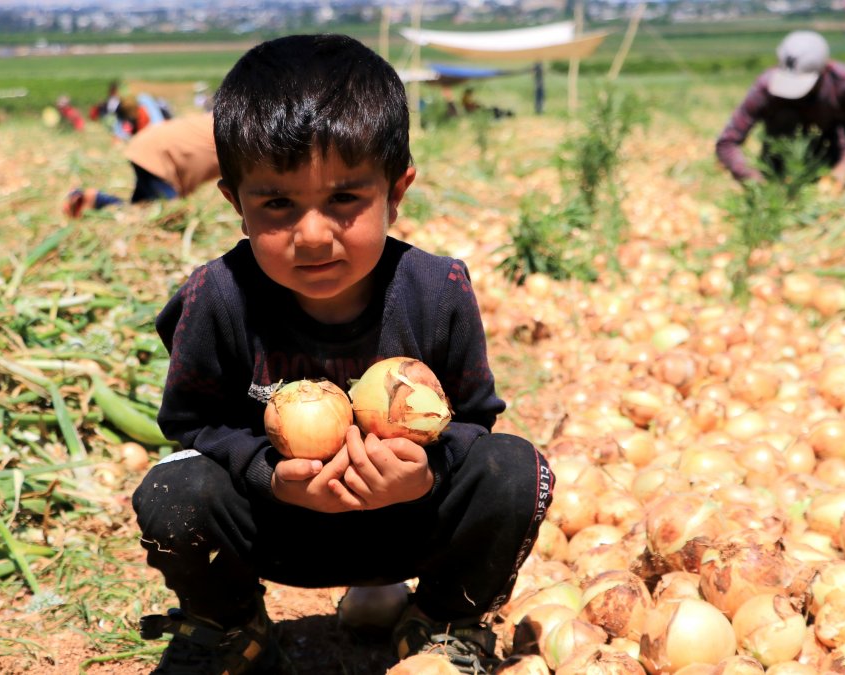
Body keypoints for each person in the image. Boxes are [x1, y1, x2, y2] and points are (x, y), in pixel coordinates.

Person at [131, 34, 553, 675]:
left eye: (344, 200)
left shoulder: (438, 292)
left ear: (397, 189)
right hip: (279, 527)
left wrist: (424, 475)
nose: (312, 235)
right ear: (234, 202)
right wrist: (268, 477)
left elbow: (474, 421)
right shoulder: (216, 298)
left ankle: (444, 622)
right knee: (173, 491)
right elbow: (191, 425)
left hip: (407, 520)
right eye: (277, 203)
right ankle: (230, 627)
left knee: (518, 471)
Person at [715, 30, 845, 195]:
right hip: (776, 173)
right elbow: (727, 143)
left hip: (829, 165)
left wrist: (840, 173)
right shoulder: (766, 87)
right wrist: (755, 181)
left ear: (824, 69)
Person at [62, 113, 217, 218]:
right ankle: (96, 199)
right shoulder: (234, 134)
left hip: (149, 146)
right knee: (168, 216)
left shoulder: (224, 119)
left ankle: (96, 199)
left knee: (139, 208)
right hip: (157, 155)